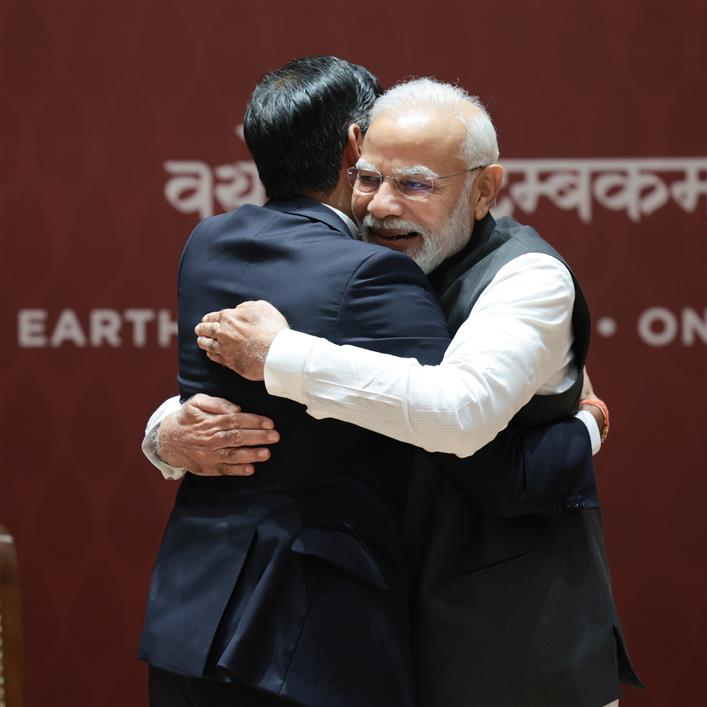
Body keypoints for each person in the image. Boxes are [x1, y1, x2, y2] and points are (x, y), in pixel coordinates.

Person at [140, 58, 604, 707]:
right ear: (356, 150)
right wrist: (168, 429)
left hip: (508, 647)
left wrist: (273, 358)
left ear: (485, 188)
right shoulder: (371, 263)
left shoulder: (524, 279)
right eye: (370, 179)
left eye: (415, 184)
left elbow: (460, 422)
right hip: (324, 638)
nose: (384, 204)